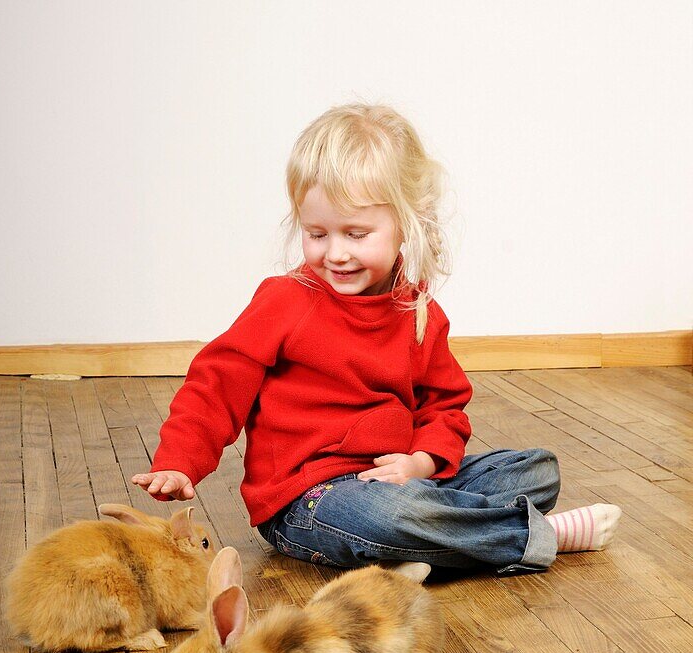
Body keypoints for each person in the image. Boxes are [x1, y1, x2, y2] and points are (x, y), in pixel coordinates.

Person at [133, 103, 621, 575]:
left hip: (399, 479)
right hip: (310, 500)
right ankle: (531, 537)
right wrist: (180, 462)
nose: (336, 253)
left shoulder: (420, 314)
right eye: (318, 234)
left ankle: (429, 547)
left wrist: (421, 463)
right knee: (387, 517)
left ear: (405, 225)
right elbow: (217, 384)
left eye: (357, 233)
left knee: (535, 470)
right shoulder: (286, 301)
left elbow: (445, 408)